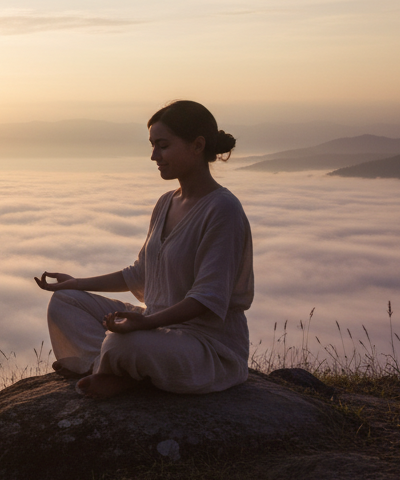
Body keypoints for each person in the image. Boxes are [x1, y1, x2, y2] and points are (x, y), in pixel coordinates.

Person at [34, 100, 253, 399]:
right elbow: (139, 274)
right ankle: (112, 368)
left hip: (205, 345)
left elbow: (207, 299)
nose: (153, 156)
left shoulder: (223, 209)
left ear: (197, 145)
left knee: (123, 343)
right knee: (66, 302)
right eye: (152, 146)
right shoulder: (166, 202)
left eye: (162, 145)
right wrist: (77, 284)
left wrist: (145, 324)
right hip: (156, 326)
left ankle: (109, 368)